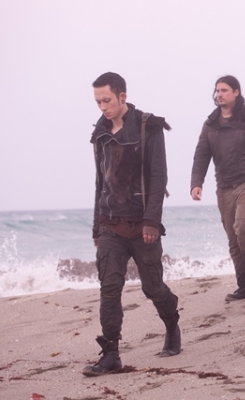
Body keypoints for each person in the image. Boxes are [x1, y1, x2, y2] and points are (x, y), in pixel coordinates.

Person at [83, 72, 181, 377]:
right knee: (109, 288)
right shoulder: (100, 133)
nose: (103, 107)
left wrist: (152, 221)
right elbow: (101, 182)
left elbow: (158, 176)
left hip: (142, 225)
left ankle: (171, 323)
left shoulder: (148, 126)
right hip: (109, 223)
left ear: (122, 96)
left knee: (153, 288)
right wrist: (96, 226)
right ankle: (111, 353)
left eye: (107, 100)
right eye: (98, 102)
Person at [191, 76, 245, 301]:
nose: (219, 94)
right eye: (217, 90)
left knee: (243, 226)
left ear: (236, 92)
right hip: (224, 187)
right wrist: (197, 182)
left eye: (224, 90)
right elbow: (201, 155)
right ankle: (243, 284)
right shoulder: (210, 124)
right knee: (233, 238)